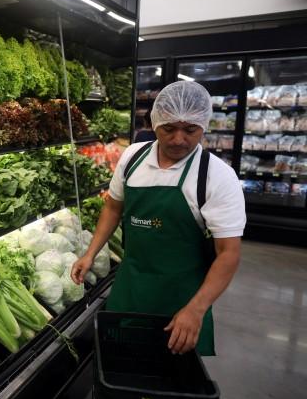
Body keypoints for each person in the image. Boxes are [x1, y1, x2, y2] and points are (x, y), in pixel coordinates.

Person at [71, 81, 245, 356]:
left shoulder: (217, 177)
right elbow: (113, 208)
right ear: (154, 123)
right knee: (121, 364)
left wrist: (196, 309)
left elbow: (229, 253)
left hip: (182, 298)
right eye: (169, 128)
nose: (178, 139)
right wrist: (90, 253)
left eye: (190, 130)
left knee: (170, 379)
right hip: (130, 287)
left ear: (204, 125)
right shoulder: (132, 159)